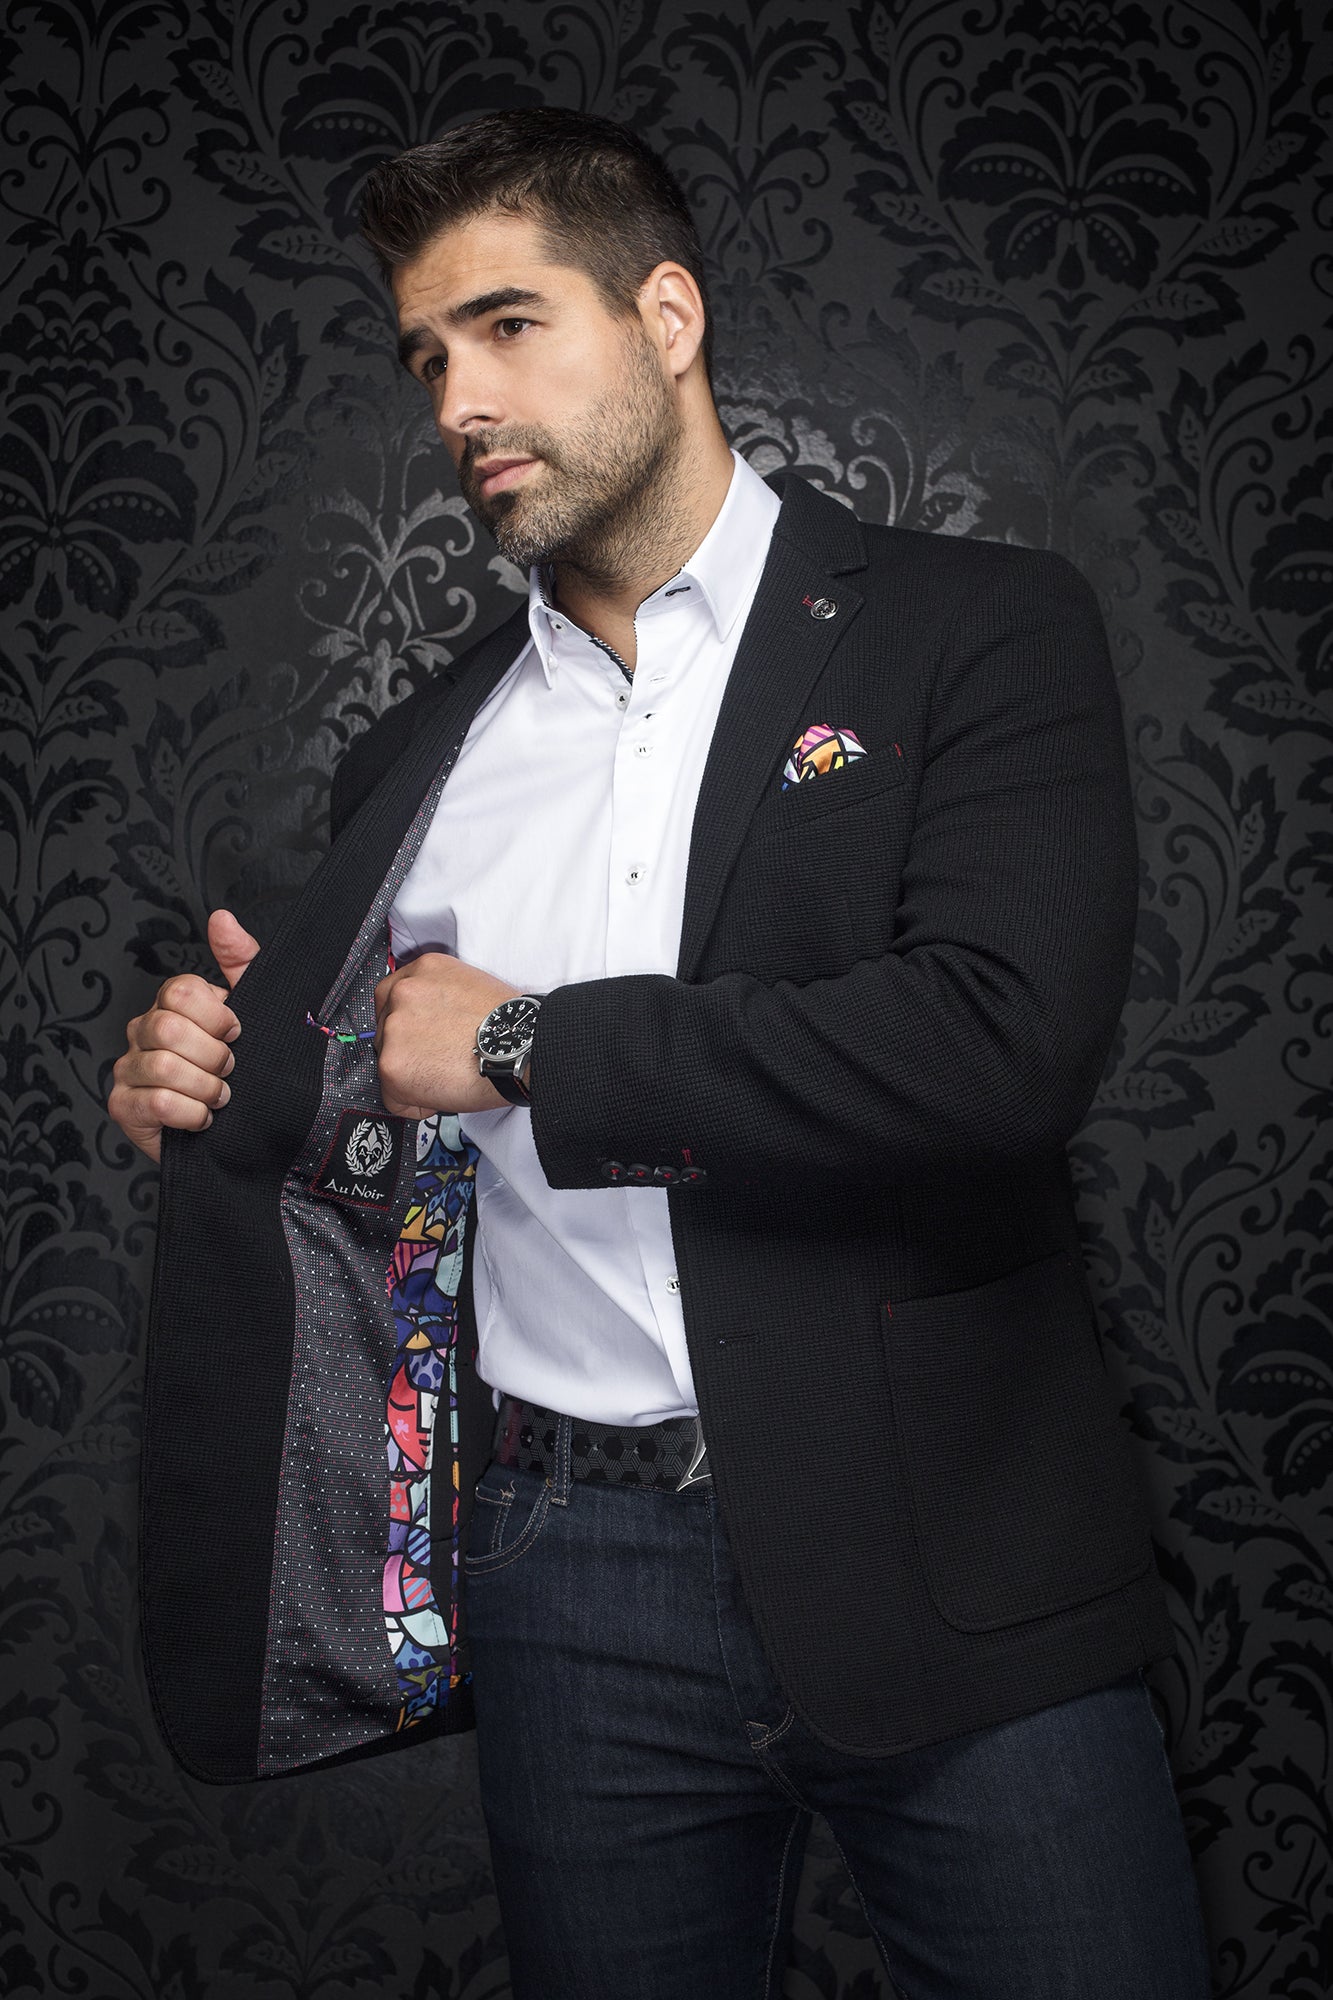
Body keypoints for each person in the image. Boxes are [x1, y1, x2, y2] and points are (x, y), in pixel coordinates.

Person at [109, 107, 1212, 2000]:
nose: (460, 398)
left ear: (668, 317)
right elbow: (383, 1131)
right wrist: (217, 1080)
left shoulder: (972, 631)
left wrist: (528, 1041)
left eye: (507, 325)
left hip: (949, 1533)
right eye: (426, 356)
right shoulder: (420, 762)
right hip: (565, 1569)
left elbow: (995, 1046)